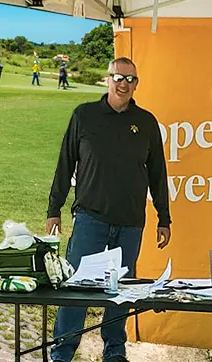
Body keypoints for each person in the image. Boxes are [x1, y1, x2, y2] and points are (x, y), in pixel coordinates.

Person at [46, 57, 171, 362]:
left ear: (136, 84)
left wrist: (164, 218)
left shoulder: (146, 122)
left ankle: (114, 351)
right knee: (76, 288)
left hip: (130, 221)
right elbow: (65, 163)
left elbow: (158, 173)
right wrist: (54, 208)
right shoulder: (84, 115)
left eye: (130, 79)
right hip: (90, 217)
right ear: (108, 79)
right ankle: (62, 353)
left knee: (120, 291)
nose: (124, 84)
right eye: (118, 77)